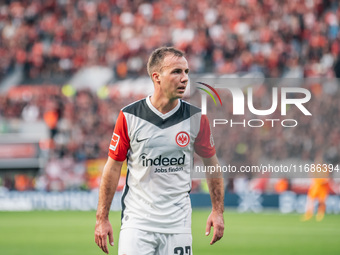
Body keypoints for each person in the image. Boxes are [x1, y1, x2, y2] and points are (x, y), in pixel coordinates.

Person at [95, 46, 225, 255]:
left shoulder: (196, 118)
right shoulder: (129, 116)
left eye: (186, 72)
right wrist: (102, 218)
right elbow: (112, 168)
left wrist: (218, 211)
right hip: (137, 225)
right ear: (157, 77)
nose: (184, 78)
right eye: (176, 72)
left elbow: (212, 165)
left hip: (178, 225)